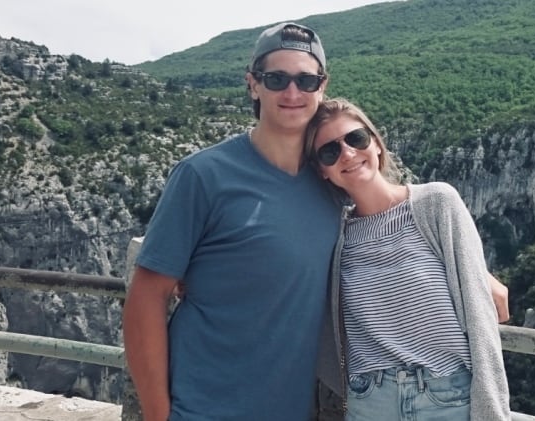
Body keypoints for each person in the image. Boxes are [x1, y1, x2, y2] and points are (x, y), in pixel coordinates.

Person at [122, 22, 340, 421]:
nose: (292, 93)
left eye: (306, 80)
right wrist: (158, 414)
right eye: (276, 79)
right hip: (201, 408)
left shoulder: (331, 179)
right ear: (253, 84)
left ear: (322, 87)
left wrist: (466, 273)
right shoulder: (203, 175)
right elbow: (146, 298)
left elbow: (393, 219)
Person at [308, 98, 511, 420]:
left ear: (375, 143)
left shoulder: (436, 204)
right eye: (329, 152)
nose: (347, 153)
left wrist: (492, 412)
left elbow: (478, 315)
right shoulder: (331, 235)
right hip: (369, 400)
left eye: (355, 138)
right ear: (322, 170)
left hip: (447, 397)